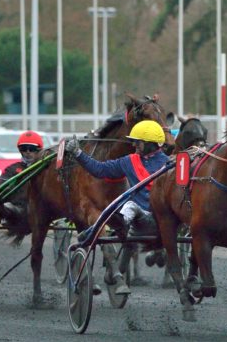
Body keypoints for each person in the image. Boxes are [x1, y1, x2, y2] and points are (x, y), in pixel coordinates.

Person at [65, 120, 170, 291]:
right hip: (137, 218)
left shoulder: (169, 164)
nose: (134, 144)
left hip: (162, 217)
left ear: (150, 144)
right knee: (129, 205)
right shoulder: (129, 161)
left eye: (138, 141)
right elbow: (99, 170)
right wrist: (78, 153)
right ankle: (98, 230)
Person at [0, 131, 44, 238]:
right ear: (20, 150)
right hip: (18, 209)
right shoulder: (12, 169)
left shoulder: (45, 168)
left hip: (41, 209)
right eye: (24, 148)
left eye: (31, 149)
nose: (28, 152)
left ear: (39, 150)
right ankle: (6, 211)